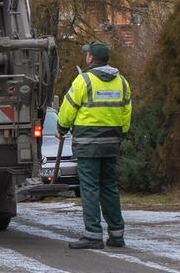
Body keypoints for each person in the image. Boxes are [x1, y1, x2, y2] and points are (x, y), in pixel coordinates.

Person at [57, 41, 132, 249]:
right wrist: (121, 134)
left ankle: (93, 235)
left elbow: (68, 109)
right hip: (111, 143)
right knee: (109, 187)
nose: (86, 57)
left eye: (87, 54)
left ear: (91, 58)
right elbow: (126, 112)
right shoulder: (122, 82)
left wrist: (61, 129)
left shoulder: (84, 81)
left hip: (88, 144)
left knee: (89, 188)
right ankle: (117, 234)